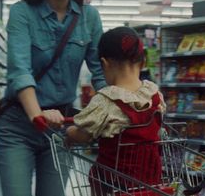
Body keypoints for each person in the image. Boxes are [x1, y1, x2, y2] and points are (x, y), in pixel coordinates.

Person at [0, 0, 106, 196]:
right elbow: (19, 70)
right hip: (19, 126)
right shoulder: (22, 13)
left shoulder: (89, 17)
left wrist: (118, 105)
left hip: (60, 128)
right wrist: (37, 115)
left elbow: (101, 71)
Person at [66, 26, 166, 195]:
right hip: (150, 183)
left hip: (112, 185)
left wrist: (70, 132)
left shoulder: (106, 100)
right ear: (142, 62)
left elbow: (84, 134)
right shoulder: (155, 96)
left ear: (105, 64)